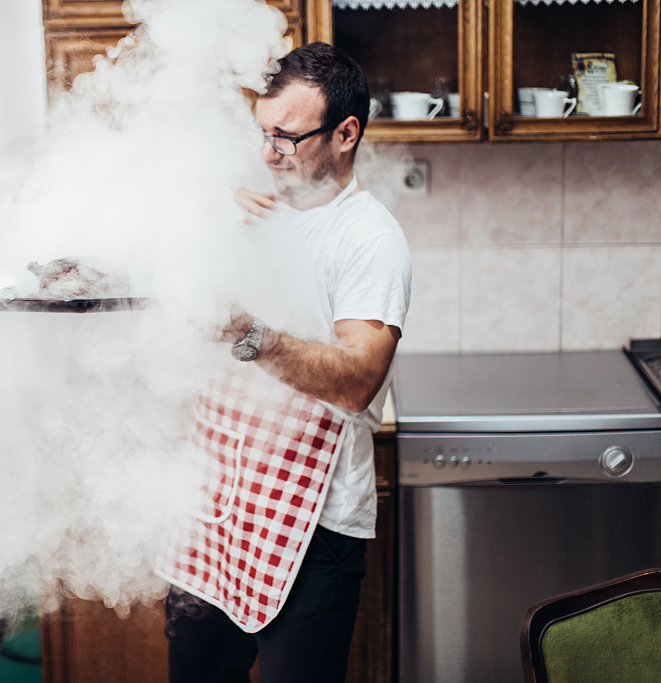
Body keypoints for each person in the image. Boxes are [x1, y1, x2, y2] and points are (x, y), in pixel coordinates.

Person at [156, 42, 412, 683]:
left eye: (288, 137)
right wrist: (195, 225)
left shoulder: (368, 239)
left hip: (312, 528)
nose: (270, 153)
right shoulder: (245, 209)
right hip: (216, 505)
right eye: (263, 134)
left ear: (346, 133)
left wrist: (250, 334)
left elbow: (357, 383)